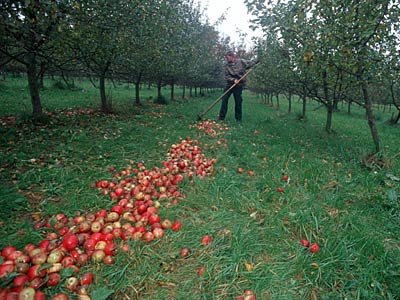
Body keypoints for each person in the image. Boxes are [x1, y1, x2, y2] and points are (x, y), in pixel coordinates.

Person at [217, 50, 258, 122]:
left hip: (239, 85)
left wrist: (258, 60)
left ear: (232, 56)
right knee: (224, 100)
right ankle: (221, 118)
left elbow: (251, 63)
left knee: (238, 101)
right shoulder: (227, 66)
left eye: (227, 57)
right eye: (226, 58)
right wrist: (233, 80)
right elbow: (227, 76)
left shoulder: (241, 62)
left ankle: (238, 119)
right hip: (229, 85)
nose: (227, 59)